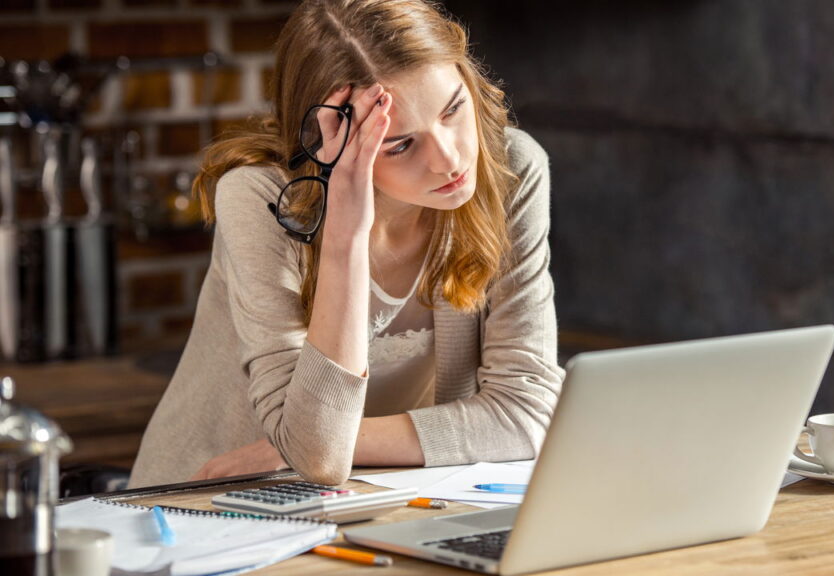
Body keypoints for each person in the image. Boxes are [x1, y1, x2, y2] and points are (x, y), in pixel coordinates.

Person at [128, 0, 564, 488]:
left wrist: (304, 447)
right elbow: (318, 457)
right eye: (399, 144)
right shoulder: (260, 199)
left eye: (453, 109)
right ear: (327, 140)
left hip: (380, 490)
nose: (449, 159)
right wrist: (345, 235)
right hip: (213, 498)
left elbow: (526, 414)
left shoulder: (510, 170)